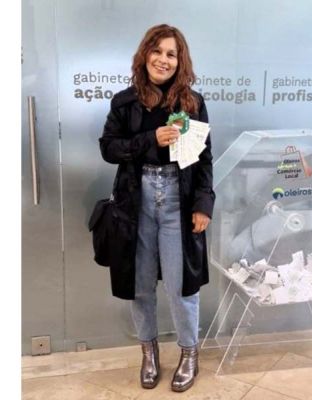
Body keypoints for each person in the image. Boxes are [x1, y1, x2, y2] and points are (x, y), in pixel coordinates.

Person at [99, 24, 215, 392]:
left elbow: (204, 159)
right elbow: (108, 149)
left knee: (182, 287)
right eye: (157, 51)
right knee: (141, 285)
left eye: (171, 54)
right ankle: (149, 353)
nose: (163, 60)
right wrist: (150, 139)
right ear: (145, 54)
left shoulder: (192, 103)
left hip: (179, 200)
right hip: (137, 201)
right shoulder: (124, 102)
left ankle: (189, 353)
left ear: (180, 61)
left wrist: (203, 205)